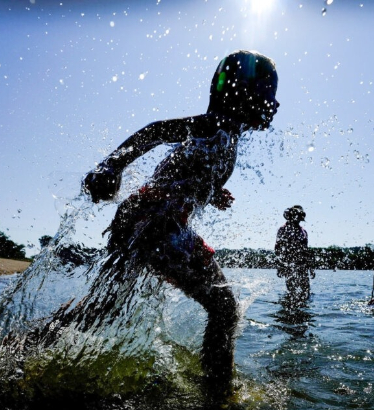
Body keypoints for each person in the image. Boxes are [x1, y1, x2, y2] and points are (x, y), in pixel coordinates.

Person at [78, 50, 279, 398]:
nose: (269, 103)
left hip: (147, 219)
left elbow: (184, 173)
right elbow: (155, 131)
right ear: (241, 92)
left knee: (101, 310)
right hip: (154, 221)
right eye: (265, 93)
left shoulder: (226, 134)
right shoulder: (213, 125)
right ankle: (217, 393)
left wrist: (213, 191)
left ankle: (18, 346)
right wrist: (111, 166)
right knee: (224, 308)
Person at [275, 205, 314, 300]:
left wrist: (311, 268)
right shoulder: (283, 229)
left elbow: (306, 250)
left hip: (302, 265)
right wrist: (280, 265)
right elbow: (278, 248)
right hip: (288, 264)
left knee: (306, 293)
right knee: (291, 293)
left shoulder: (303, 231)